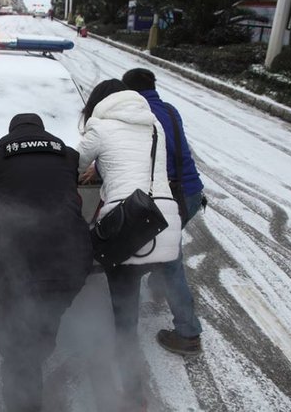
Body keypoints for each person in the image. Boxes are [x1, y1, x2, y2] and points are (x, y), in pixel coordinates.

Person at [0, 113, 92, 412]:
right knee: (45, 320)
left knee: (17, 344)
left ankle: (24, 393)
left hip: (20, 260)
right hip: (71, 257)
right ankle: (35, 354)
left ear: (13, 130)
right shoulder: (67, 152)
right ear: (42, 129)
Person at [76, 79, 184, 410]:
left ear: (98, 103)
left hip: (128, 231)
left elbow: (75, 164)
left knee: (124, 319)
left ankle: (133, 395)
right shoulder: (153, 126)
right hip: (164, 226)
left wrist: (95, 168)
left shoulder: (99, 125)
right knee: (130, 297)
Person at [122, 68, 204, 355]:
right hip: (192, 194)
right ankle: (158, 284)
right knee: (165, 251)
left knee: (171, 264)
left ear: (128, 91)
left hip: (168, 197)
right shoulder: (170, 110)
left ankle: (188, 334)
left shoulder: (139, 117)